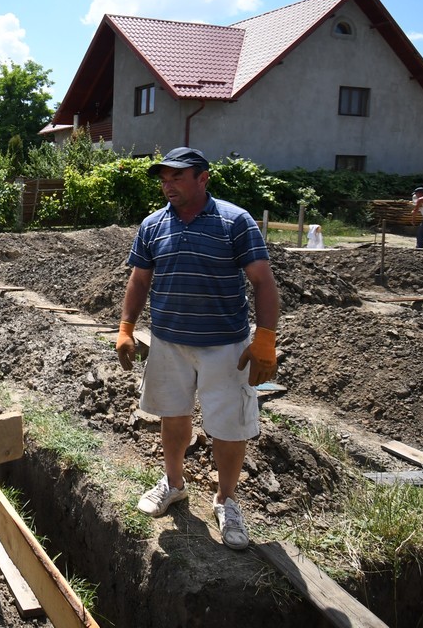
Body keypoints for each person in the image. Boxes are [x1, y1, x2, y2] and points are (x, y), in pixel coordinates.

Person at [115, 147, 280, 550]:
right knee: (173, 416)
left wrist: (266, 338)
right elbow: (139, 281)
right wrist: (125, 327)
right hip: (169, 341)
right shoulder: (154, 225)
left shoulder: (235, 222)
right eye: (163, 178)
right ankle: (174, 484)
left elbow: (263, 281)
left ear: (203, 178)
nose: (167, 185)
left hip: (225, 346)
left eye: (177, 177)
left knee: (228, 427)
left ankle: (226, 500)